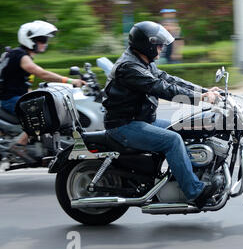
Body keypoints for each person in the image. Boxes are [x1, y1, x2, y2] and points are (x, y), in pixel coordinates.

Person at [103, 21, 222, 209]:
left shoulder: (143, 62)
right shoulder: (130, 67)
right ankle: (194, 192)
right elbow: (162, 88)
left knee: (185, 128)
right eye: (158, 44)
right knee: (173, 140)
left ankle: (184, 174)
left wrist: (204, 91)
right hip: (124, 126)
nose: (161, 48)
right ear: (146, 44)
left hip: (142, 121)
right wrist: (202, 98)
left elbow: (169, 79)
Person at [0, 20, 86, 163]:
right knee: (45, 114)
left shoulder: (16, 54)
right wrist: (71, 81)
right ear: (29, 40)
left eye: (45, 40)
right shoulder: (21, 56)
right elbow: (42, 73)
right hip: (10, 100)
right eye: (41, 40)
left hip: (12, 97)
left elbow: (21, 82)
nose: (44, 43)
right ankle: (19, 144)